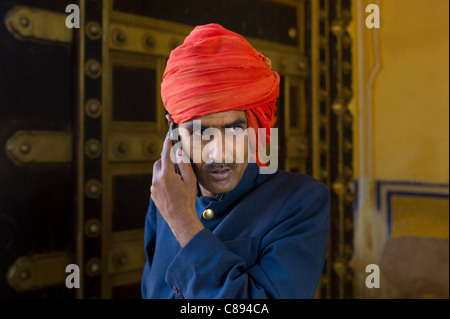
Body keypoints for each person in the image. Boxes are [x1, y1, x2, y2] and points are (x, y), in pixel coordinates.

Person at [141, 23, 330, 299]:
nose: (219, 154)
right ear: (173, 130)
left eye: (234, 130)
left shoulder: (300, 201)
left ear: (254, 126)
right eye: (198, 131)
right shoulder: (165, 195)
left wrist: (185, 225)